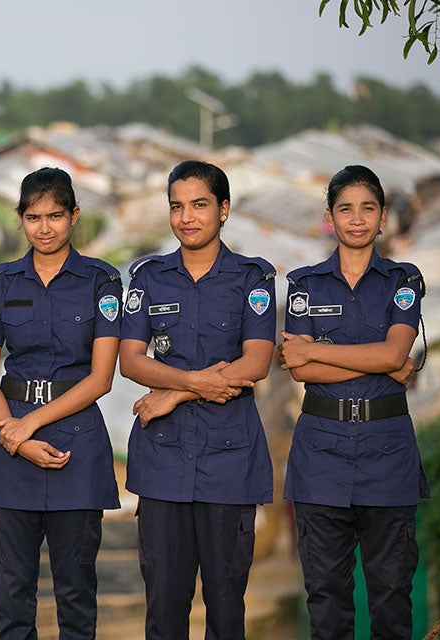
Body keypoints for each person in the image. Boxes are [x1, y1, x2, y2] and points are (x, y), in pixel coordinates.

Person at [119, 160, 275, 640]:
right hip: (162, 462)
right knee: (164, 612)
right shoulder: (148, 278)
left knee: (226, 611)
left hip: (229, 464)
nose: (187, 217)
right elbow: (130, 360)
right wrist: (194, 384)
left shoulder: (253, 277)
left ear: (223, 210)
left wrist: (172, 392)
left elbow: (257, 363)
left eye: (200, 205)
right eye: (177, 206)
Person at [0, 167, 122, 639]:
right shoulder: (1, 284)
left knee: (76, 595)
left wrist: (26, 426)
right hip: (7, 443)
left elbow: (100, 379)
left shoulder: (102, 282)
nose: (45, 227)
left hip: (75, 443)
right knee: (13, 595)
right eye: (33, 216)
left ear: (74, 215)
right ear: (20, 219)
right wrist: (14, 436)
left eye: (56, 215)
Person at [279, 164, 427, 640]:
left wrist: (316, 349)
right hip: (321, 452)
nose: (357, 219)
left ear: (383, 217)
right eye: (346, 209)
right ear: (330, 217)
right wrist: (382, 362)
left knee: (390, 596)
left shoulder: (403, 281)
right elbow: (299, 372)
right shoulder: (304, 284)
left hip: (388, 453)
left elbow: (394, 351)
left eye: (368, 208)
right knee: (326, 598)